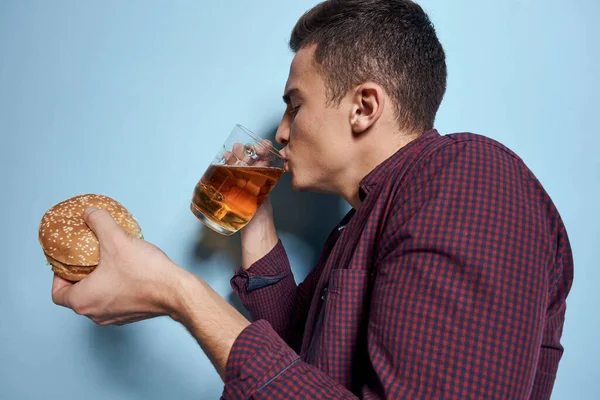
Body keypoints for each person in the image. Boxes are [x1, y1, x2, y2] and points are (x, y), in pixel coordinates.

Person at [51, 0, 574, 398]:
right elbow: (298, 365)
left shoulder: (469, 179)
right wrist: (256, 224)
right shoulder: (364, 221)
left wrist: (179, 294)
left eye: (294, 106)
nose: (281, 132)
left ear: (363, 107)